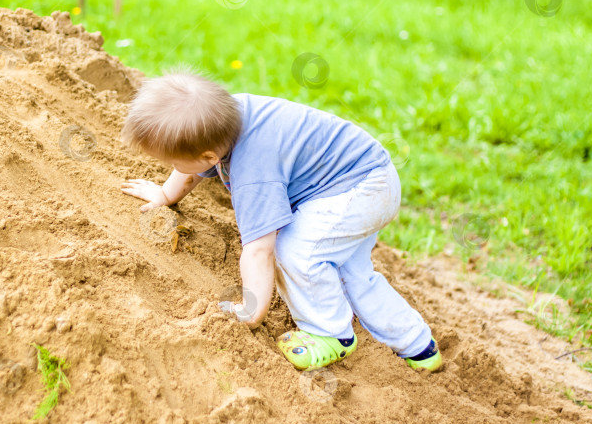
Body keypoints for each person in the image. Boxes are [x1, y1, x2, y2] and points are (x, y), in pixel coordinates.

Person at [120, 67, 442, 372]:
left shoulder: (253, 167)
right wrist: (165, 195)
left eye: (169, 160)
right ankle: (417, 346)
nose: (169, 165)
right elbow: (190, 169)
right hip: (371, 177)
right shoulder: (223, 122)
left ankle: (330, 334)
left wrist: (253, 308)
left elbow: (260, 249)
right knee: (353, 274)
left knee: (297, 251)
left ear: (208, 157)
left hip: (360, 189)